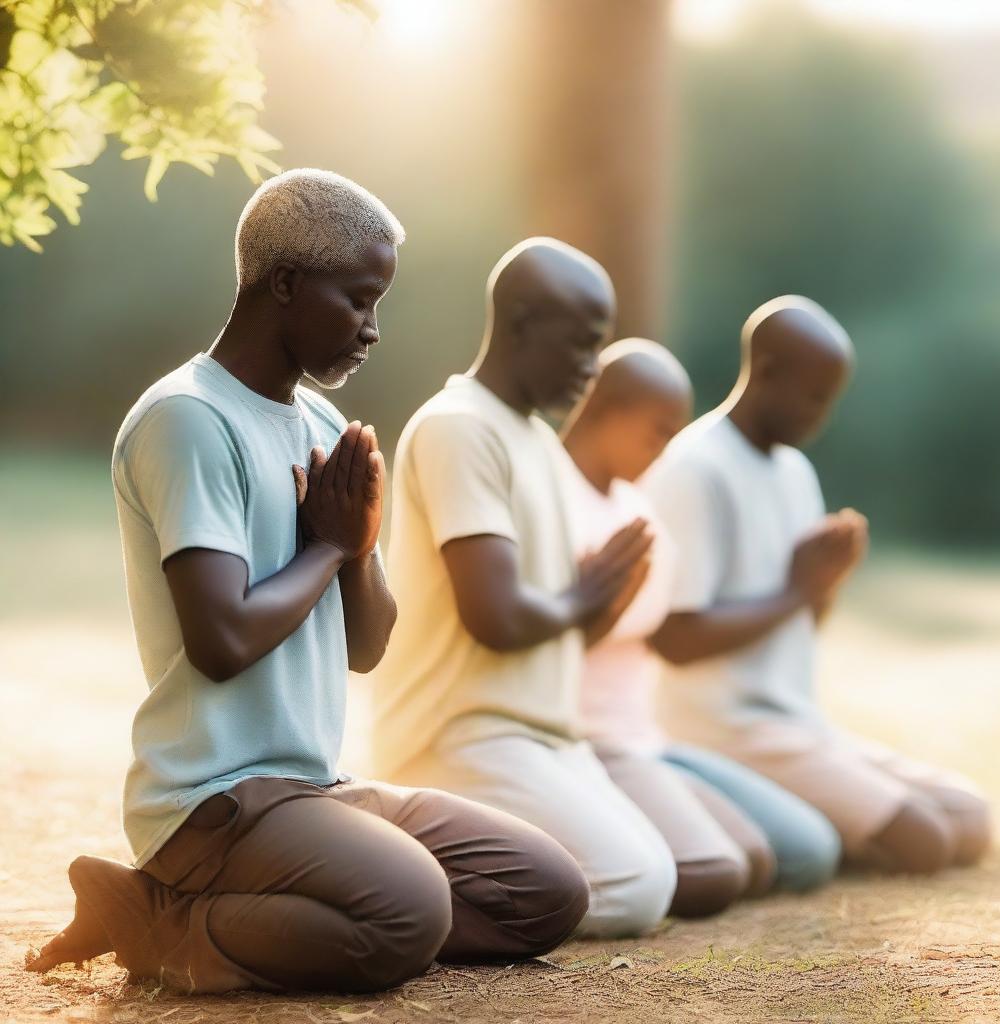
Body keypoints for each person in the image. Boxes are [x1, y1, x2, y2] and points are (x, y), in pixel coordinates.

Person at [26, 170, 588, 995]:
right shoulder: (188, 419)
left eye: (379, 305)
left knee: (546, 891)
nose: (372, 331)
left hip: (315, 789)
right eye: (359, 300)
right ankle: (163, 916)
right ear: (284, 283)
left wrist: (356, 551)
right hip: (213, 802)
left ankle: (283, 911)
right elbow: (220, 645)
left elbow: (367, 646)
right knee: (410, 911)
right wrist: (327, 549)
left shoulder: (323, 425)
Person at [372, 238, 688, 937]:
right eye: (580, 345)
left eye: (599, 346)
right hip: (460, 736)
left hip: (542, 734)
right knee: (632, 887)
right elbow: (497, 616)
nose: (591, 368)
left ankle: (403, 876)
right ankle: (377, 892)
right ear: (519, 322)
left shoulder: (538, 441)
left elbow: (554, 626)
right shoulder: (460, 427)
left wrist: (602, 601)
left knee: (656, 873)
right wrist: (584, 596)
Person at [643, 295, 991, 874]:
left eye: (831, 399)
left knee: (970, 818)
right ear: (768, 370)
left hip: (798, 726)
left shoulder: (794, 470)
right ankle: (772, 813)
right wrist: (799, 590)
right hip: (724, 733)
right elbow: (673, 638)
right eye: (813, 395)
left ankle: (821, 806)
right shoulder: (695, 470)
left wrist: (824, 584)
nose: (821, 415)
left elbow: (800, 627)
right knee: (927, 842)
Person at [561, 338, 841, 896]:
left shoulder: (637, 506)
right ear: (604, 409)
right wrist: (601, 603)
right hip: (585, 740)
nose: (666, 454)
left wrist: (817, 583)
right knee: (730, 870)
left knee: (800, 852)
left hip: (646, 736)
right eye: (659, 431)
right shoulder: (553, 496)